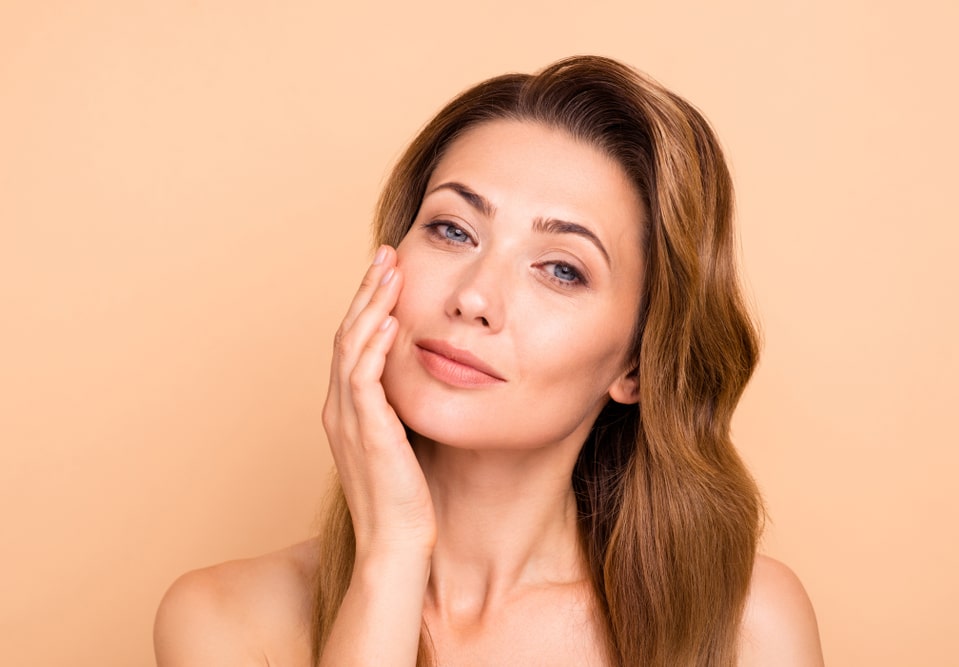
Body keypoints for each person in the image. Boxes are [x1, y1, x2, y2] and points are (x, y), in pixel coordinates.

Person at [154, 55, 824, 666]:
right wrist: (390, 556)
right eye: (452, 230)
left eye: (561, 270)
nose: (474, 297)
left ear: (636, 367)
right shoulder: (226, 621)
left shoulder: (748, 626)